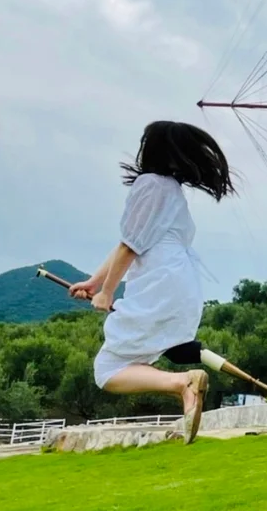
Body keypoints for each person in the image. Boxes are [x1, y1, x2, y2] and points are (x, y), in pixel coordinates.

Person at [69, 120, 235, 444]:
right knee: (133, 361)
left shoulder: (150, 185)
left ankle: (182, 383)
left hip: (160, 284)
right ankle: (186, 398)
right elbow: (130, 241)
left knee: (108, 370)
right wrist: (95, 281)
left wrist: (106, 292)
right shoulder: (170, 190)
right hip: (180, 286)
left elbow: (129, 245)